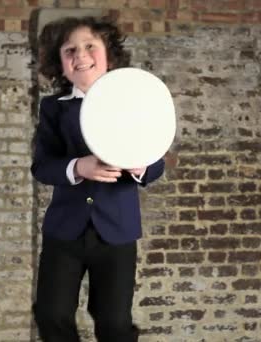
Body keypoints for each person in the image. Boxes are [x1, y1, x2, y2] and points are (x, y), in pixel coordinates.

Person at [31, 16, 165, 342]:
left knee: (114, 322)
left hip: (116, 231)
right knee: (51, 313)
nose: (81, 55)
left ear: (109, 54)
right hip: (65, 231)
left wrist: (139, 166)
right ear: (59, 63)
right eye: (69, 50)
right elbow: (42, 167)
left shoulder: (134, 103)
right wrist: (78, 167)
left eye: (90, 46)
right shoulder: (53, 108)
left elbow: (156, 162)